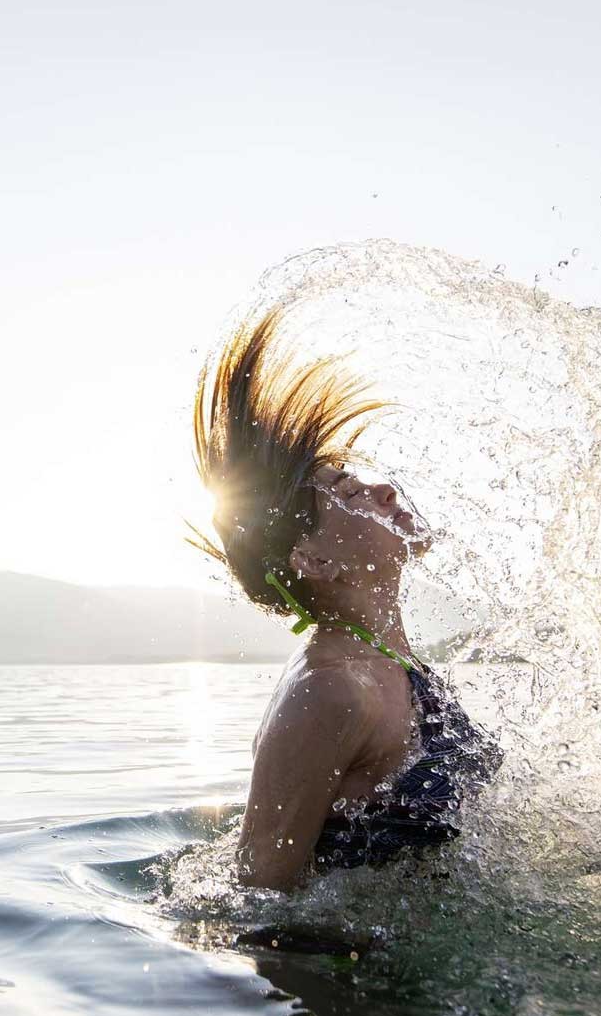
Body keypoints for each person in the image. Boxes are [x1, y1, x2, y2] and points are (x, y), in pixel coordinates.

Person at [189, 309, 501, 891]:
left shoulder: (384, 662)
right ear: (314, 561)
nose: (384, 490)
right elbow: (258, 898)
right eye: (352, 494)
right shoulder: (330, 692)